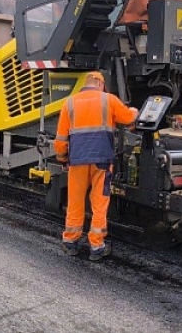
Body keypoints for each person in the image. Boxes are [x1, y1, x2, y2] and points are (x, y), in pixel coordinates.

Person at [54, 71, 138, 261]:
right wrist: (135, 112)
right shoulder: (108, 99)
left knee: (75, 200)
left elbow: (60, 139)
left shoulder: (69, 103)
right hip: (102, 160)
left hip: (77, 160)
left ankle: (70, 242)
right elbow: (128, 119)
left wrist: (62, 158)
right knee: (99, 202)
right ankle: (97, 246)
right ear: (100, 84)